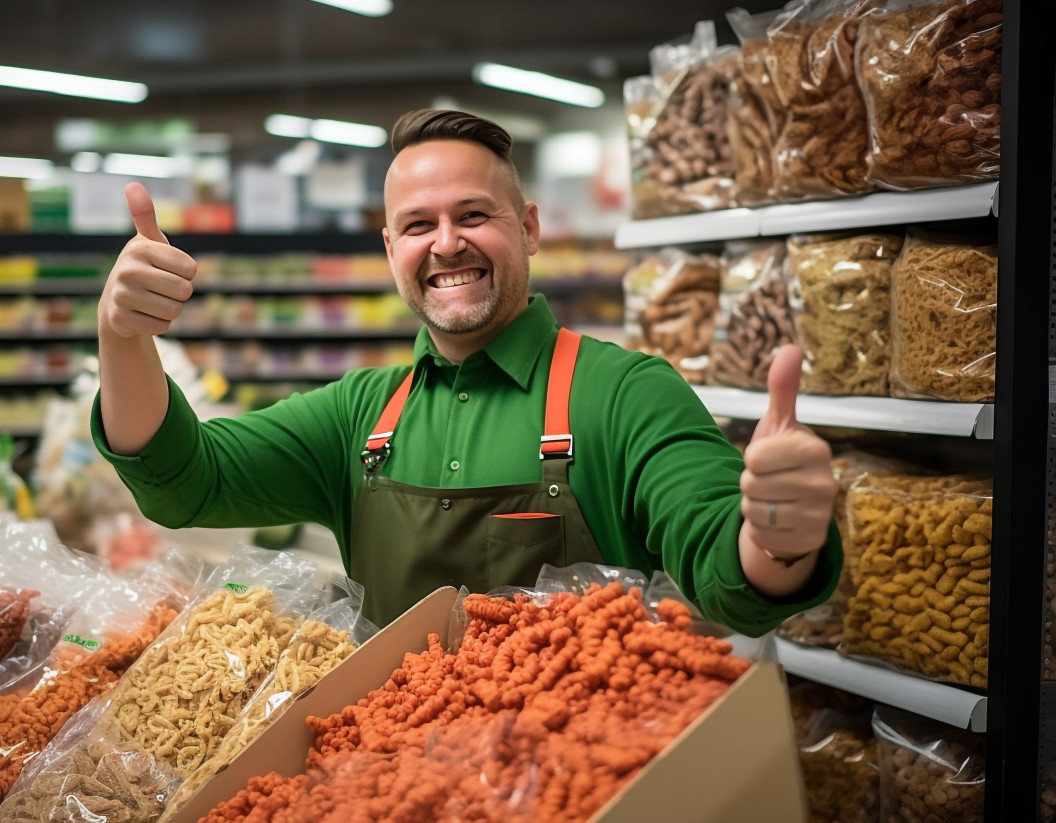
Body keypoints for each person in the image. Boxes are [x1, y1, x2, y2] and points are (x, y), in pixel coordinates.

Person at [92, 108, 842, 632]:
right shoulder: (358, 415)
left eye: (474, 214)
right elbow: (187, 482)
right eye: (418, 225)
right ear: (391, 250)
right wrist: (122, 336)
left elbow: (727, 577)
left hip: (582, 800)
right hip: (389, 795)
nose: (447, 243)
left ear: (532, 227)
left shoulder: (624, 395)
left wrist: (779, 537)